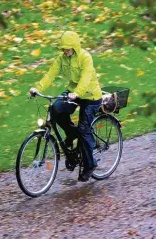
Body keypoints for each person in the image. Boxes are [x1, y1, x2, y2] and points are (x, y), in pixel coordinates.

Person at [29, 31, 102, 182]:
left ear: (75, 46)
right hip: (73, 92)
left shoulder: (85, 57)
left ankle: (90, 165)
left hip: (90, 96)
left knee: (84, 129)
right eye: (63, 48)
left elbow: (86, 78)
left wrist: (77, 93)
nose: (65, 51)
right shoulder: (62, 59)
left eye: (68, 48)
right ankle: (72, 133)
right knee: (56, 109)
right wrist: (38, 88)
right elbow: (50, 74)